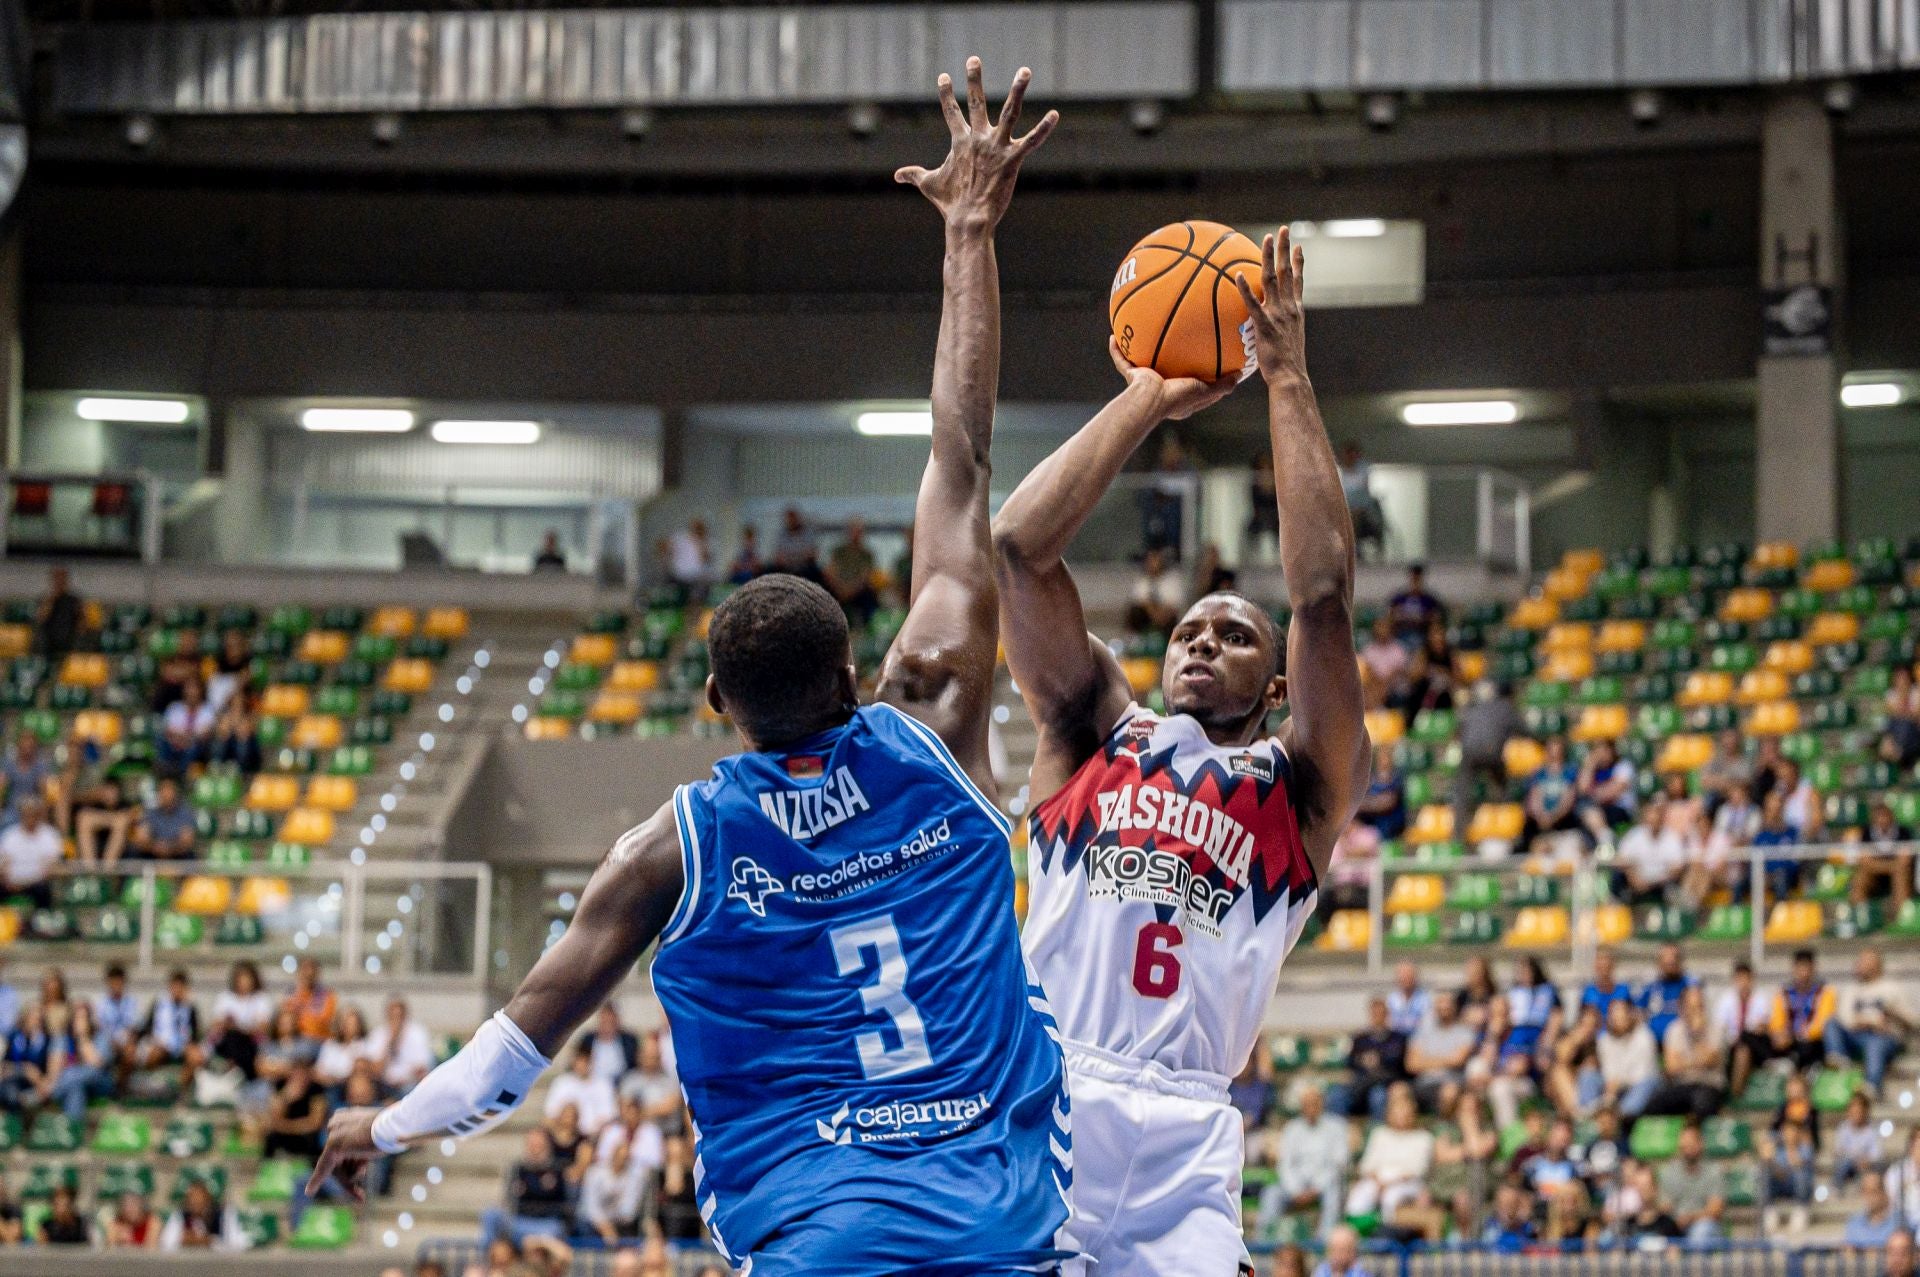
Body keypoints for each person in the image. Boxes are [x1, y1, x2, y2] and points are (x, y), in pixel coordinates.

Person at [311, 63, 1075, 1275]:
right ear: (853, 677)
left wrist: (384, 1122)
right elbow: (962, 456)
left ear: (716, 703)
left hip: (814, 1238)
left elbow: (510, 1056)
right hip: (1003, 1218)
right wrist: (971, 232)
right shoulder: (933, 715)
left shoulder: (668, 850)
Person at [995, 221, 1366, 1270]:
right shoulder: (1092, 727)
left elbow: (1323, 598)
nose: (1203, 640)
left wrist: (1286, 378)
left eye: (1235, 635)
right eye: (1189, 631)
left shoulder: (1299, 787)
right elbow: (1018, 549)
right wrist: (1148, 398)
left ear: (1278, 686)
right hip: (1053, 1088)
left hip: (1193, 1128)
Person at [1258, 1081, 1347, 1242]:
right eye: (1307, 1104)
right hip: (1296, 1183)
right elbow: (1284, 1164)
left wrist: (1315, 1189)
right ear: (1301, 1106)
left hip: (1324, 1183)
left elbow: (1338, 1164)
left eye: (1315, 1103)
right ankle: (1265, 1241)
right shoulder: (1292, 1128)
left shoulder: (1336, 1127)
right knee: (1271, 1193)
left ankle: (1323, 1241)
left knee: (1334, 1191)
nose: (1311, 1107)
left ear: (1322, 1103)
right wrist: (1296, 1191)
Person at [1342, 1084, 1433, 1226]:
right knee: (1358, 1197)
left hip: (1406, 1183)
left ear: (1413, 1114)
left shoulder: (1423, 1137)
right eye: (1397, 1112)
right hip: (1377, 1179)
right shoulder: (1379, 1134)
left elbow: (1418, 1170)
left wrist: (1388, 1184)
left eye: (1405, 1113)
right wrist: (1379, 1182)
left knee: (1390, 1197)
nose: (1401, 1117)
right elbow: (1367, 1165)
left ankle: (1386, 1232)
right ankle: (1357, 1231)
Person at [480, 1128, 573, 1250]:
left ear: (547, 1147)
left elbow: (564, 1203)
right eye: (531, 1145)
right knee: (491, 1214)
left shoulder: (558, 1169)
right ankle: (488, 1258)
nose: (534, 1150)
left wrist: (532, 1190)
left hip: (546, 1223)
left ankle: (535, 1244)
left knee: (553, 1231)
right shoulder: (518, 1169)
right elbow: (509, 1197)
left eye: (539, 1146)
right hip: (519, 1220)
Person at [1452, 680, 1518, 838]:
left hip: (1469, 751)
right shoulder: (1506, 707)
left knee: (1462, 792)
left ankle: (1458, 834)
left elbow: (1459, 729)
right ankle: (1506, 819)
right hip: (1490, 751)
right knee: (1502, 783)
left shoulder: (1477, 706)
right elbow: (1524, 729)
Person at [1650, 986, 1726, 1120]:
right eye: (1691, 1007)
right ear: (1682, 1008)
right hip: (1682, 1085)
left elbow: (1709, 1060)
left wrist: (1697, 1034)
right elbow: (1672, 1068)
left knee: (1702, 1103)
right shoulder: (1674, 1030)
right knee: (1654, 1105)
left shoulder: (1716, 1029)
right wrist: (1695, 1062)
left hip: (1709, 1085)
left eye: (1700, 1007)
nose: (1696, 1012)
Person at [1336, 996, 1408, 1122]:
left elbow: (1399, 1063)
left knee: (1378, 1096)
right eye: (1375, 1013)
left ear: (1387, 1015)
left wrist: (1379, 1060)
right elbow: (1351, 1062)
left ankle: (1377, 1130)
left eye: (1381, 1013)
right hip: (1361, 1083)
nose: (1378, 1017)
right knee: (1337, 1095)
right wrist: (1364, 1061)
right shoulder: (1359, 1039)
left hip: (1385, 1083)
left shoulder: (1398, 1038)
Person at [1406, 992, 1476, 1113]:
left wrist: (1426, 1060)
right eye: (1440, 1003)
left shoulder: (1465, 1032)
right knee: (1397, 1090)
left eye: (1447, 1004)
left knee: (1449, 1092)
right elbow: (1411, 1064)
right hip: (1424, 1083)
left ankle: (1444, 1123)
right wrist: (1446, 1060)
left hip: (1452, 1081)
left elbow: (1458, 1061)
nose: (1444, 1007)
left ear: (1454, 1007)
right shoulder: (1422, 1032)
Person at [1658, 1122, 1726, 1246]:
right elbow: (1664, 1206)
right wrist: (1674, 1220)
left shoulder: (1714, 1171)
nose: (1687, 1150)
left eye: (1691, 1145)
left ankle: (1693, 1259)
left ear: (1700, 1144)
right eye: (1684, 1146)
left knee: (1701, 1231)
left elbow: (1715, 1209)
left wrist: (1690, 1218)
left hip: (1704, 1224)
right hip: (1676, 1225)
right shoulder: (1670, 1171)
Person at [1715, 959, 1773, 1100]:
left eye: (1746, 978)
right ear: (1734, 980)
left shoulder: (1762, 999)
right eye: (1740, 979)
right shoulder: (1726, 1000)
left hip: (1756, 1047)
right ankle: (1735, 1093)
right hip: (1735, 1047)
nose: (1743, 983)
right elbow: (1719, 1027)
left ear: (1752, 979)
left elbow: (1761, 1029)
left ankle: (1734, 1095)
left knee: (1745, 1041)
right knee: (1742, 1050)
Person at [1770, 947, 1835, 1073]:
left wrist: (1798, 1036)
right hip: (1788, 1041)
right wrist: (1779, 1034)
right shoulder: (1783, 993)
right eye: (1800, 969)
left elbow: (1823, 1023)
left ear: (1813, 969)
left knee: (1808, 1047)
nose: (1804, 974)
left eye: (1807, 969)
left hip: (1812, 1041)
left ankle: (1797, 1066)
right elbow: (1776, 1021)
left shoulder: (1825, 992)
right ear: (1794, 969)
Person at [1595, 999, 1660, 1120]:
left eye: (1621, 1017)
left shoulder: (1644, 1037)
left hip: (1642, 1086)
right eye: (1614, 1017)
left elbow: (1641, 1075)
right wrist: (1612, 1086)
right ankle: (1587, 1116)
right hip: (1614, 1088)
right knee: (1588, 1076)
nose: (1617, 1021)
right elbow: (1608, 1072)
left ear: (1630, 1016)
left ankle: (1621, 1116)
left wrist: (1617, 1083)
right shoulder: (1604, 1040)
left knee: (1646, 1083)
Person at [0, 797, 63, 910]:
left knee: (44, 890)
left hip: (37, 884)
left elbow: (51, 867)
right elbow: (4, 864)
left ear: (39, 814)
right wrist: (7, 880)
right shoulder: (10, 835)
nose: (30, 817)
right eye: (26, 814)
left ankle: (43, 917)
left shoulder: (50, 835)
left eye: (33, 813)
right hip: (11, 884)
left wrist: (29, 882)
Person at [364, 996, 436, 1095]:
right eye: (393, 1016)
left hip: (410, 1085)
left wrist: (403, 1078)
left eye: (399, 1016)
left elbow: (422, 1068)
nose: (397, 1021)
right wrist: (390, 1042)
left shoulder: (417, 1033)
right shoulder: (377, 1034)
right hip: (384, 1086)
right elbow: (376, 1071)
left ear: (405, 1016)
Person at [1574, 738, 1636, 848]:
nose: (1601, 754)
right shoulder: (1595, 769)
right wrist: (1590, 765)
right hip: (1597, 810)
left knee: (1586, 805)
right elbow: (1582, 789)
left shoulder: (1623, 766)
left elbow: (1611, 792)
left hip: (1619, 810)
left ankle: (1606, 839)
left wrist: (1592, 792)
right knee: (1582, 805)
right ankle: (1604, 837)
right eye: (1597, 750)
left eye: (1605, 749)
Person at [1854, 801, 1914, 912]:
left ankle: (1901, 916)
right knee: (1861, 877)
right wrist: (1890, 866)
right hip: (1875, 876)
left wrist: (1878, 865)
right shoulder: (1866, 833)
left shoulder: (1903, 832)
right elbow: (1865, 861)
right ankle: (1860, 914)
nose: (1883, 820)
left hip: (1896, 874)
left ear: (1891, 816)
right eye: (1879, 816)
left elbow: (1905, 861)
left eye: (1885, 816)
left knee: (1901, 875)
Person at [543, 1046, 617, 1138]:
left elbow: (610, 1114)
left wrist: (594, 1133)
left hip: (596, 1135)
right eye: (579, 1061)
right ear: (573, 1062)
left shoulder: (603, 1084)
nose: (582, 1065)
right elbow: (550, 1114)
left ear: (592, 1062)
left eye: (585, 1061)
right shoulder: (562, 1082)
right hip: (568, 1135)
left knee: (613, 1131)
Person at [1522, 737, 1581, 848]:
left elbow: (1568, 799)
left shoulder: (1569, 772)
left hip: (1563, 823)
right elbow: (1534, 797)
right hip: (1540, 823)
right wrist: (1541, 816)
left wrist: (1553, 817)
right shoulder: (1539, 773)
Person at [824, 517, 881, 626]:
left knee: (869, 595)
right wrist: (840, 588)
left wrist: (850, 590)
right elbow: (830, 571)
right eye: (853, 531)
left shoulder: (867, 554)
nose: (855, 535)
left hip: (857, 590)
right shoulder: (839, 551)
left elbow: (865, 577)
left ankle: (868, 625)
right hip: (838, 588)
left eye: (858, 531)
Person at [160, 1178, 244, 1251]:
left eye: (199, 1197)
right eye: (192, 1198)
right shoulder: (180, 1215)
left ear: (208, 1198)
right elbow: (166, 1243)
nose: (195, 1201)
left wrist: (210, 1241)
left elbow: (237, 1244)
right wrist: (184, 1240)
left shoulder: (225, 1214)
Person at [128, 775, 197, 861]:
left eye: (169, 789)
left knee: (190, 856)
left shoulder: (186, 811)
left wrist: (169, 849)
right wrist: (155, 847)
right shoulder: (150, 810)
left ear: (176, 792)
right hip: (152, 853)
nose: (166, 793)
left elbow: (187, 840)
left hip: (178, 854)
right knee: (133, 852)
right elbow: (141, 837)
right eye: (163, 789)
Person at [1123, 546, 1185, 638]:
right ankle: (1136, 640)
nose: (1153, 564)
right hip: (1148, 617)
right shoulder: (1142, 582)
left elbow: (1173, 606)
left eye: (1155, 560)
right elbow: (1141, 601)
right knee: (1135, 612)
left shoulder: (1172, 580)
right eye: (1150, 561)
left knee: (1172, 620)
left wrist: (1160, 615)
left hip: (1166, 618)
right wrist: (1154, 615)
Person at [157, 676, 216, 772]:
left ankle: (181, 774)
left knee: (194, 747)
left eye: (194, 688)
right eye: (189, 688)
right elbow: (168, 730)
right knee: (160, 739)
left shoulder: (208, 710)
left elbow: (206, 733)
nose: (191, 692)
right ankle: (165, 772)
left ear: (200, 690)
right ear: (184, 690)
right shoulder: (174, 707)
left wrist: (187, 739)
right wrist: (179, 739)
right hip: (174, 743)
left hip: (196, 745)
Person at [1337, 442, 1384, 557]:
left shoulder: (1363, 468)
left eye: (1353, 455)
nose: (1350, 458)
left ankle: (1355, 543)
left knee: (1356, 514)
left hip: (1361, 503)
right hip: (1345, 504)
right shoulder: (1338, 469)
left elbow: (1364, 489)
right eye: (1348, 455)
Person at [573, 1004, 639, 1085]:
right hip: (592, 1082)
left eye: (611, 1021)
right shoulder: (588, 1040)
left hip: (621, 1083)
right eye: (605, 1021)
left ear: (617, 1021)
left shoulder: (629, 1041)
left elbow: (634, 1065)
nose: (607, 1025)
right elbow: (579, 1061)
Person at [1833, 1090, 1883, 1189]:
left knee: (1870, 1171)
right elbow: (1839, 1150)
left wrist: (1866, 1161)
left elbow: (1877, 1154)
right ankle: (1837, 1188)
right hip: (1847, 1164)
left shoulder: (1872, 1131)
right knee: (1844, 1164)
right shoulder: (1843, 1128)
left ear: (1866, 1112)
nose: (1856, 1115)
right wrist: (1853, 1158)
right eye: (1853, 1112)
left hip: (1864, 1166)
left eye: (1859, 1112)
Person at [283, 957, 339, 1044]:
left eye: (312, 970)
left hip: (320, 1041)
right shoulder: (290, 995)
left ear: (317, 973)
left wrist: (303, 1021)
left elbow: (325, 1022)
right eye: (305, 970)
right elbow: (286, 1021)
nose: (308, 974)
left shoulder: (327, 996)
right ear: (299, 972)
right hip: (295, 1041)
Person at [1358, 616, 1408, 709]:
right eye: (1379, 626)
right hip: (1373, 689)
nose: (1382, 629)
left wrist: (1384, 686)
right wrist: (1377, 687)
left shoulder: (1399, 649)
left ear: (1391, 628)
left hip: (1394, 690)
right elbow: (1367, 671)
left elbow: (1398, 672)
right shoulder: (1367, 650)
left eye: (1385, 626)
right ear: (1374, 628)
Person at [1387, 564, 1443, 642]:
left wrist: (1423, 618)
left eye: (1418, 579)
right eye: (1413, 579)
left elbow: (1436, 618)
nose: (1416, 582)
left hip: (1423, 634)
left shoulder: (1430, 600)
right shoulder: (1399, 598)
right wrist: (1403, 617)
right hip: (1402, 633)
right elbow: (1391, 616)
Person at [1846, 1172, 1902, 1250]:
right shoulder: (1854, 1223)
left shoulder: (1899, 1222)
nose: (1869, 1197)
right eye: (1865, 1192)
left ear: (1884, 1192)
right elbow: (1849, 1252)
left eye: (1874, 1191)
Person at [1579, 949, 1634, 1017]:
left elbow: (1634, 1015)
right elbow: (1581, 1017)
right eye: (1601, 967)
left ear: (1612, 966)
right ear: (1596, 967)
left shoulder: (1623, 991)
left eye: (1607, 966)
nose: (1604, 970)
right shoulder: (1588, 992)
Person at [771, 506, 821, 581]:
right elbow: (778, 556)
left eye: (794, 518)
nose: (792, 521)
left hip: (805, 566)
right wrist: (791, 559)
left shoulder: (808, 533)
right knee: (770, 569)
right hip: (786, 566)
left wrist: (797, 558)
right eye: (789, 519)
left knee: (817, 571)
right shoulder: (781, 534)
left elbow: (813, 553)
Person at [1385, 961, 1430, 1038]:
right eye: (1403, 975)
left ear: (1415, 977)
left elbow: (1427, 1026)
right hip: (1396, 1041)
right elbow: (1387, 1025)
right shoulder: (1390, 1000)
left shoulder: (1425, 1000)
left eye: (1409, 975)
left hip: (1419, 1040)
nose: (1406, 978)